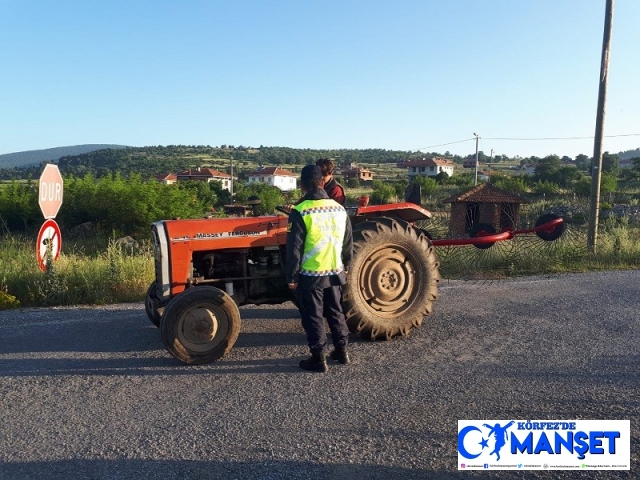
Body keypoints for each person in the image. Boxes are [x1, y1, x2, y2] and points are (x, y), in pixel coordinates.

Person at [286, 164, 353, 372]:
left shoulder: (300, 211)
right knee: (335, 311)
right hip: (335, 270)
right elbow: (348, 241)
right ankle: (342, 352)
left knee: (313, 315)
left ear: (302, 185)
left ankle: (318, 358)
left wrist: (292, 276)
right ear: (322, 182)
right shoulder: (339, 208)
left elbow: (294, 248)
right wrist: (347, 265)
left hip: (311, 273)